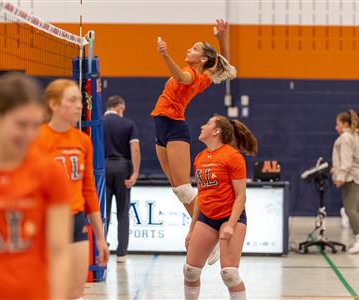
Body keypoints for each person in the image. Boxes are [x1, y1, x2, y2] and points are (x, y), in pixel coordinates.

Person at [151, 19, 236, 264]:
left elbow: (179, 76)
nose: (190, 49)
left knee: (184, 187)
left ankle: (216, 234)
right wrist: (222, 37)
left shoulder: (192, 75)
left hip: (175, 128)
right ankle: (206, 232)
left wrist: (165, 56)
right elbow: (226, 64)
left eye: (195, 47)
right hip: (161, 125)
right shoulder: (205, 73)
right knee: (178, 189)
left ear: (202, 59)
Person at [0, 73, 71, 299]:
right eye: (21, 125)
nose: (30, 135)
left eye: (35, 125)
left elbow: (59, 251)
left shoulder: (49, 172)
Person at [34, 79, 109, 299]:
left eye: (80, 100)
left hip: (76, 221)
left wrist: (100, 237)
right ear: (54, 105)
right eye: (72, 100)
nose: (79, 105)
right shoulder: (37, 139)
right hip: (46, 221)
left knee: (75, 291)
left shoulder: (82, 141)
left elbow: (89, 190)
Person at [183, 115, 258, 300]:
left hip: (231, 217)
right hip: (207, 219)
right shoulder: (200, 158)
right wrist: (192, 228)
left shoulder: (232, 156)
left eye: (207, 123)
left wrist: (231, 224)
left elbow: (241, 196)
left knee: (229, 275)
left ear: (216, 131)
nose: (202, 125)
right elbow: (201, 195)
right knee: (190, 272)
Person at [103, 95, 141, 262]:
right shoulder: (128, 124)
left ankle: (101, 247)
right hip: (123, 167)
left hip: (102, 168)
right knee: (123, 212)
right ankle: (121, 253)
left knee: (103, 212)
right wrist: (135, 173)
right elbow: (135, 149)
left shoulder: (97, 123)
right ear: (119, 108)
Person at [332, 110, 359, 254]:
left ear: (344, 124)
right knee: (354, 210)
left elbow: (347, 161)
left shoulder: (345, 137)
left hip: (354, 179)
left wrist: (340, 176)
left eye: (337, 124)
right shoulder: (356, 135)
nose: (335, 127)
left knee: (350, 209)